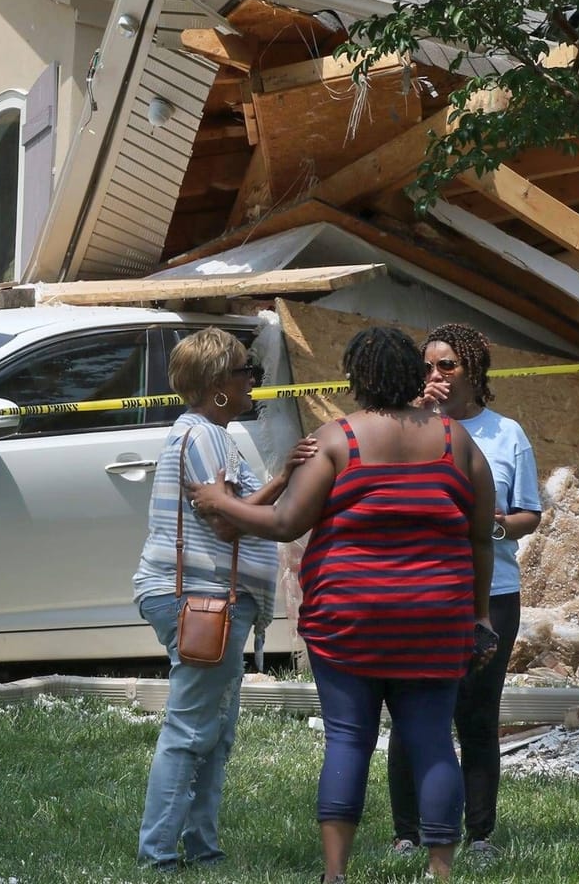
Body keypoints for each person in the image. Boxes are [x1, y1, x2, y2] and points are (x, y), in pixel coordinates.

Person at [189, 326, 496, 883]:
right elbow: (480, 537)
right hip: (436, 616)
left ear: (357, 379)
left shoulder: (339, 439)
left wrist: (219, 501)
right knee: (431, 739)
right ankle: (441, 870)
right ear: (412, 375)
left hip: (348, 616)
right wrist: (478, 615)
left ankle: (334, 874)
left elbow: (286, 522)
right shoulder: (458, 441)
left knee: (349, 739)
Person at [131, 327, 317, 872]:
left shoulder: (210, 433)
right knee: (191, 730)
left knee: (215, 731)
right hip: (200, 597)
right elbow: (228, 522)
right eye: (246, 373)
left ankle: (202, 850)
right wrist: (284, 477)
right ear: (217, 384)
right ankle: (160, 856)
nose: (254, 384)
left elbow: (227, 512)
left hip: (212, 598)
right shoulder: (204, 437)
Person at [390, 323, 543, 865]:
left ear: (475, 370)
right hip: (421, 592)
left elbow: (529, 514)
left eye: (447, 365)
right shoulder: (405, 426)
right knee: (414, 713)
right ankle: (406, 832)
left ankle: (480, 835)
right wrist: (415, 414)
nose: (436, 376)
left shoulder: (507, 434)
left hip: (493, 591)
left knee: (477, 717)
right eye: (428, 366)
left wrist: (490, 526)